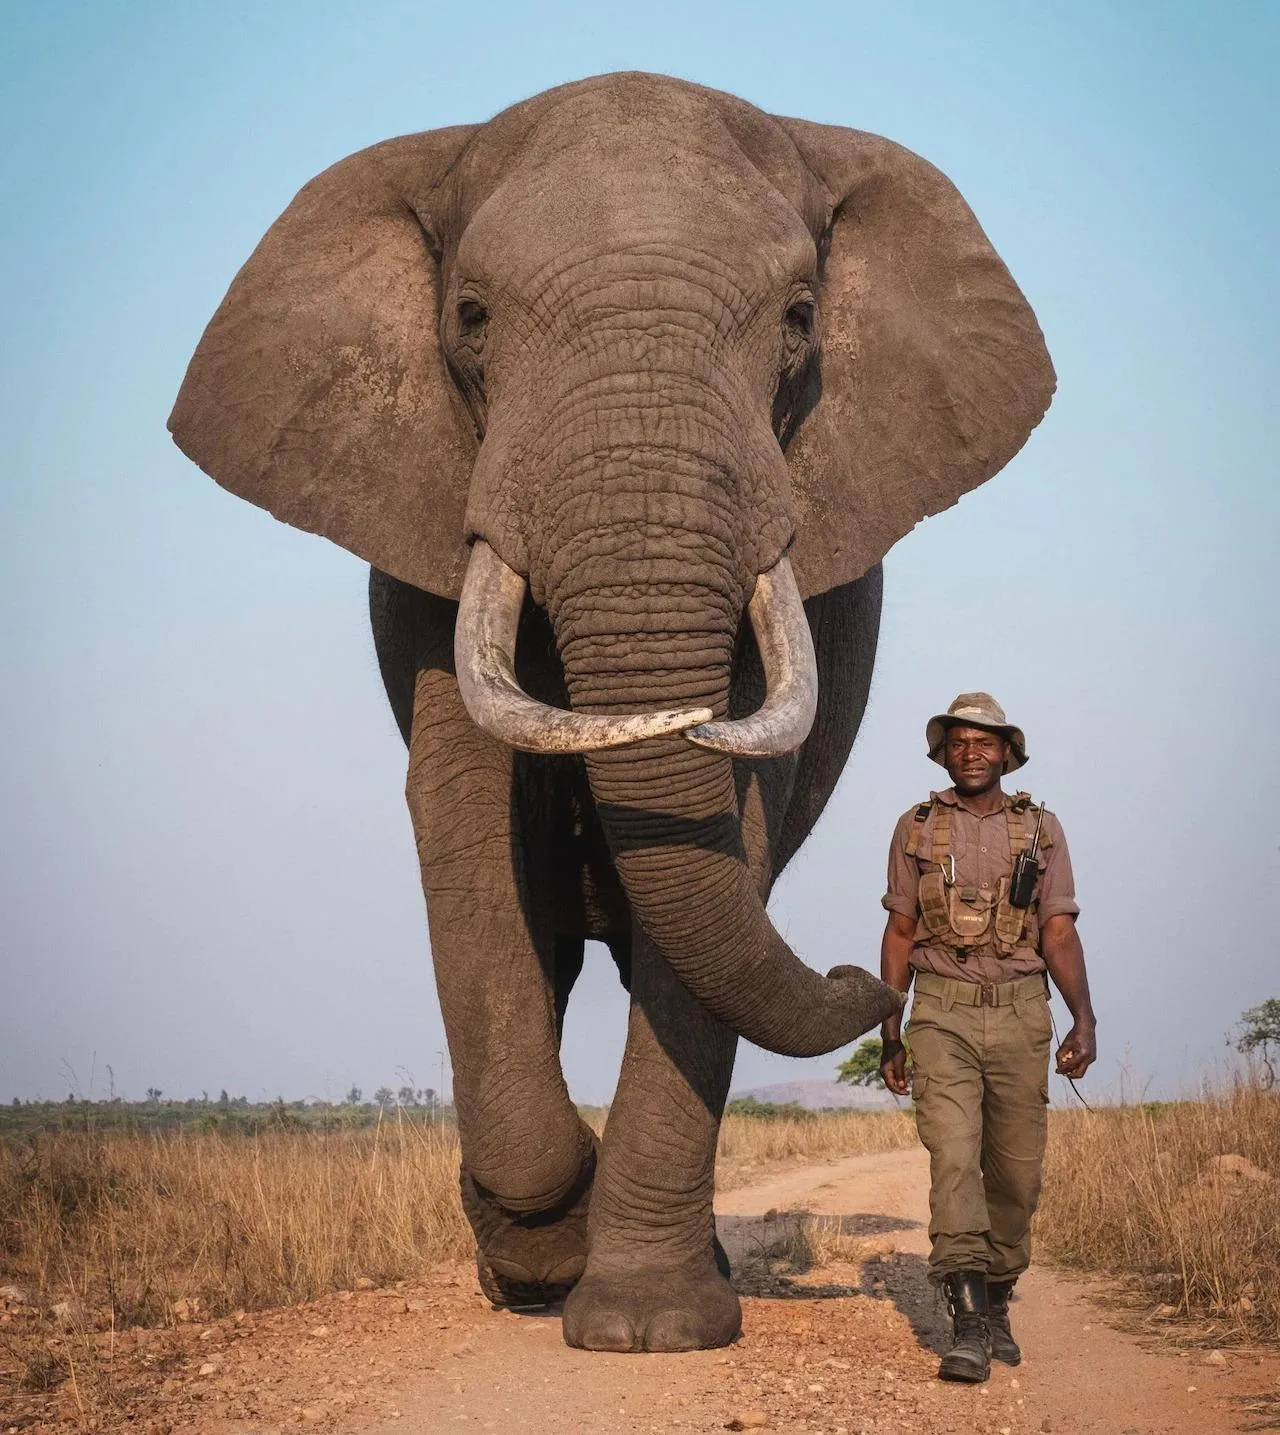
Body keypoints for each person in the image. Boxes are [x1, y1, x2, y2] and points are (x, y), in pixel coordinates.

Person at [878, 693, 1096, 1383]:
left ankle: (998, 1296)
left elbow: (1058, 930)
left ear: (1007, 752)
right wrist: (891, 1027)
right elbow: (900, 932)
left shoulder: (1042, 828)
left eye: (985, 742)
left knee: (1017, 1174)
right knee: (953, 1157)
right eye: (958, 741)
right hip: (940, 1009)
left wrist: (1083, 1018)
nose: (971, 752)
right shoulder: (914, 827)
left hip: (1022, 1011)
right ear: (943, 752)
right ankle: (967, 1318)